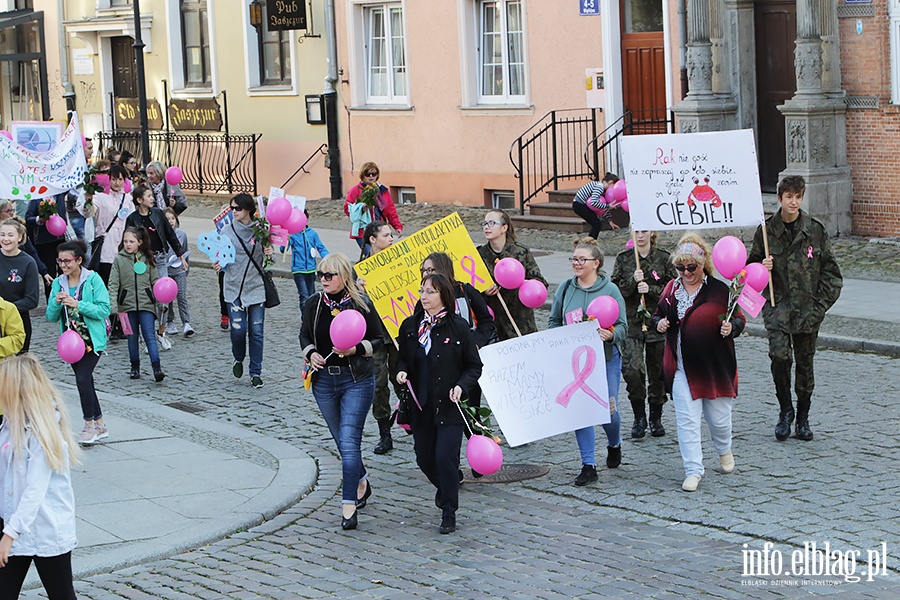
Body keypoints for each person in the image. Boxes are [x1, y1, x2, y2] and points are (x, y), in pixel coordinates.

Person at [748, 176, 843, 442]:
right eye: (789, 196)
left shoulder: (814, 230)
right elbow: (748, 272)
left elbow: (832, 274)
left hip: (806, 310)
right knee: (779, 358)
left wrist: (819, 306)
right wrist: (760, 267)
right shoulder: (766, 232)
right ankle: (785, 411)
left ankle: (803, 417)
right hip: (778, 308)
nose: (794, 202)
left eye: (798, 197)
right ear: (779, 199)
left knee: (805, 364)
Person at [651, 234, 745, 492]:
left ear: (702, 264)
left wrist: (731, 327)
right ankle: (693, 469)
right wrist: (658, 323)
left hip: (714, 368)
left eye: (691, 267)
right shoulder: (671, 289)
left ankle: (724, 448)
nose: (686, 272)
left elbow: (739, 318)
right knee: (687, 421)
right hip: (681, 367)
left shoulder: (719, 290)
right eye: (680, 267)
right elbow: (657, 314)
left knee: (719, 421)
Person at [299, 253, 384, 530]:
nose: (323, 280)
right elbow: (304, 335)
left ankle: (348, 506)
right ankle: (360, 480)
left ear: (344, 276)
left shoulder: (361, 304)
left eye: (329, 275)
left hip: (355, 380)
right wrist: (310, 353)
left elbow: (380, 339)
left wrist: (356, 349)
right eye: (320, 275)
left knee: (349, 444)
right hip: (323, 382)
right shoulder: (314, 303)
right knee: (340, 440)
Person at [396, 273, 483, 534]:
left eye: (430, 292)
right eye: (422, 291)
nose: (424, 296)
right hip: (420, 405)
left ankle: (448, 512)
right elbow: (402, 359)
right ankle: (445, 489)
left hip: (450, 407)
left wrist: (460, 386)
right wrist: (401, 372)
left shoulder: (458, 328)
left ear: (443, 295)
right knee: (424, 459)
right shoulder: (410, 327)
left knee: (445, 458)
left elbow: (474, 366)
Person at [0, 354, 81, 599]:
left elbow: (34, 490)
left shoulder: (43, 435)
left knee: (61, 593)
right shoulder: (7, 426)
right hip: (14, 524)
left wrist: (9, 534)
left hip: (46, 528)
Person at [548, 238, 627, 487]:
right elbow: (554, 320)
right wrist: (559, 339)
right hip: (575, 362)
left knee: (607, 411)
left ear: (596, 263)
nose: (576, 263)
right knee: (582, 412)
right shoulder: (565, 288)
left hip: (605, 359)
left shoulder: (610, 290)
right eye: (574, 259)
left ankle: (614, 443)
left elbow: (624, 326)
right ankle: (588, 464)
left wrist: (612, 334)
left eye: (582, 259)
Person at [611, 230, 677, 438]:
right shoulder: (624, 259)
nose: (640, 236)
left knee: (657, 372)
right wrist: (632, 281)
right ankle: (639, 416)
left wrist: (651, 289)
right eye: (636, 231)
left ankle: (656, 417)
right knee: (632, 371)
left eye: (644, 231)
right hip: (632, 323)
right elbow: (613, 291)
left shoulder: (664, 258)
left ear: (652, 233)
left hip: (657, 323)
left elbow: (674, 290)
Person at [46, 240, 111, 446]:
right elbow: (51, 316)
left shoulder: (93, 280)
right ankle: (100, 424)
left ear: (79, 260)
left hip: (91, 340)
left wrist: (78, 304)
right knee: (86, 381)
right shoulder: (58, 283)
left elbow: (103, 309)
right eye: (60, 261)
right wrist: (56, 303)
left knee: (82, 379)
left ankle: (89, 424)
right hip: (70, 344)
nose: (63, 265)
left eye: (68, 261)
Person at [215, 193, 273, 389]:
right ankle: (238, 357)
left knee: (256, 332)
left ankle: (256, 372)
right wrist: (218, 263)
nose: (234, 212)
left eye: (237, 208)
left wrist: (269, 251)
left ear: (248, 209)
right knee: (239, 331)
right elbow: (221, 256)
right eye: (231, 208)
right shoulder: (227, 231)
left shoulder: (261, 230)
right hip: (233, 288)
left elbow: (272, 253)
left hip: (255, 287)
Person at [356, 221, 399, 455]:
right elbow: (352, 307)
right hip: (376, 336)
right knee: (379, 385)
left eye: (391, 234)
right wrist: (358, 290)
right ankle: (385, 433)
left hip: (399, 331)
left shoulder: (399, 263)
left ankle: (408, 414)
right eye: (386, 235)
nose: (391, 238)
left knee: (403, 380)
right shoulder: (360, 270)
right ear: (372, 239)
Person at [126, 184, 186, 348]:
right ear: (139, 200)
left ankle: (161, 332)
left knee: (163, 299)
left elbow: (170, 235)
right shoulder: (132, 218)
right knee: (146, 299)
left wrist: (181, 256)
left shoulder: (159, 214)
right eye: (148, 196)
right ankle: (148, 336)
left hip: (160, 259)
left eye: (152, 196)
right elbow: (128, 242)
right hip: (142, 261)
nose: (152, 198)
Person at [477, 209, 548, 341]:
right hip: (494, 324)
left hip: (521, 322)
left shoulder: (520, 252)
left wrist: (523, 284)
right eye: (484, 223)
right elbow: (471, 289)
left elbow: (539, 282)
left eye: (492, 223)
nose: (486, 227)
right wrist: (484, 291)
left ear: (504, 228)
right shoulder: (479, 255)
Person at [110, 227, 165, 382]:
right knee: (131, 337)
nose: (128, 244)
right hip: (125, 307)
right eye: (126, 241)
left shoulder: (148, 259)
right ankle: (134, 367)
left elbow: (156, 283)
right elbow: (113, 284)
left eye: (132, 241)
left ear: (140, 243)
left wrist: (161, 303)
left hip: (146, 305)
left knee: (149, 336)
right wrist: (113, 306)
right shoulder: (119, 260)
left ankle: (157, 367)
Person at [84, 164, 133, 285]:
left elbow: (131, 220)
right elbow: (89, 213)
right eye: (114, 179)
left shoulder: (127, 199)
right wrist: (88, 201)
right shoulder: (100, 197)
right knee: (105, 279)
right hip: (105, 243)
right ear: (109, 179)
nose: (117, 182)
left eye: (120, 179)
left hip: (122, 243)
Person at [0, 218, 40, 352]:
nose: (6, 239)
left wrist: (5, 309)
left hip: (17, 324)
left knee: (14, 370)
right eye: (2, 234)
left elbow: (32, 300)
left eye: (10, 235)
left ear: (20, 237)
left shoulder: (28, 263)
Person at [343, 162, 403, 249]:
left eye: (374, 174)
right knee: (370, 255)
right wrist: (361, 209)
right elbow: (348, 209)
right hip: (363, 230)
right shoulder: (355, 190)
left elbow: (390, 210)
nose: (371, 176)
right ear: (363, 175)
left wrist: (397, 226)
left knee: (383, 256)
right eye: (367, 174)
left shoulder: (382, 190)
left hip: (380, 229)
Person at [24, 194, 67, 299]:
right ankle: (51, 302)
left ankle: (66, 300)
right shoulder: (36, 199)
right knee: (49, 273)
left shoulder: (59, 195)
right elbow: (28, 218)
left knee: (65, 270)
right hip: (44, 242)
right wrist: (40, 219)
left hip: (61, 239)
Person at [288, 210, 329, 310]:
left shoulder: (312, 233)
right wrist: (286, 239)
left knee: (311, 296)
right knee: (304, 295)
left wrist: (328, 258)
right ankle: (305, 319)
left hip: (311, 269)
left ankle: (311, 317)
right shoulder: (293, 234)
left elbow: (320, 247)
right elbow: (282, 250)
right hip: (298, 270)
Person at [163, 209, 193, 337]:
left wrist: (186, 268)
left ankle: (186, 322)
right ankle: (169, 321)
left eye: (172, 219)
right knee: (168, 298)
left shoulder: (182, 234)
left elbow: (184, 252)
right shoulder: (161, 235)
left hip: (179, 270)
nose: (170, 222)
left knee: (181, 295)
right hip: (166, 271)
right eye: (167, 219)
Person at [572, 172, 621, 240]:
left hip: (580, 205)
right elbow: (594, 202)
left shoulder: (602, 189)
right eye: (614, 186)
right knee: (596, 224)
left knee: (596, 224)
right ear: (611, 183)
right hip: (579, 205)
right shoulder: (599, 187)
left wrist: (610, 221)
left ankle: (589, 242)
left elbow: (602, 208)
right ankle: (589, 243)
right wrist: (608, 206)